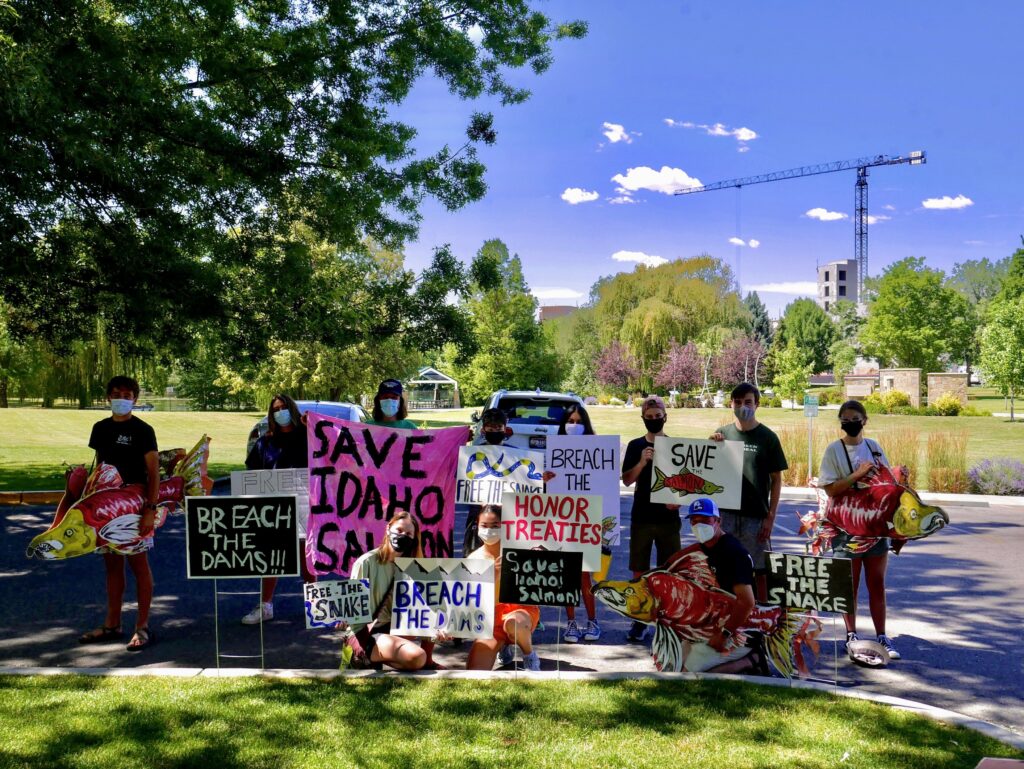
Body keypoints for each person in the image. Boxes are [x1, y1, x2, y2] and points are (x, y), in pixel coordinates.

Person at [72, 376, 160, 652]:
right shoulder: (100, 428)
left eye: (127, 393)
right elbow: (101, 464)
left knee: (138, 564)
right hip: (104, 505)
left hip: (134, 505)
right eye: (116, 393)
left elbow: (154, 472)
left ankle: (141, 627)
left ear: (134, 398)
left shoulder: (143, 430)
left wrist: (150, 509)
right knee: (111, 565)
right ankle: (112, 624)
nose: (121, 397)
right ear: (109, 397)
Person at [818, 400, 901, 660]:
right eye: (845, 418)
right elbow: (830, 489)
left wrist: (899, 477)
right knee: (849, 585)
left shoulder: (874, 447)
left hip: (874, 526)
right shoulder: (834, 450)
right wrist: (857, 475)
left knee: (877, 583)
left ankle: (881, 636)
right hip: (846, 526)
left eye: (855, 418)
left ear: (864, 420)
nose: (850, 422)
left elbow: (888, 483)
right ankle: (851, 634)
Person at [240, 393, 315, 625]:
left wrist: (311, 426)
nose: (280, 412)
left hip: (304, 504)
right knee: (272, 558)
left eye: (283, 407)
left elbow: (331, 450)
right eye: (275, 409)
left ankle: (315, 606)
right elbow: (252, 472)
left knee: (307, 558)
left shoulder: (309, 437)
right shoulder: (266, 441)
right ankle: (266, 606)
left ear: (292, 409)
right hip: (274, 507)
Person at [710, 382, 788, 602]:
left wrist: (770, 517)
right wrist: (711, 446)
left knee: (760, 570)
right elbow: (708, 471)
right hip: (726, 515)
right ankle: (728, 613)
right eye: (738, 402)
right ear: (731, 404)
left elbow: (776, 479)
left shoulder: (768, 438)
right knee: (724, 568)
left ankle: (761, 618)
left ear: (757, 405)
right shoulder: (722, 434)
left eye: (748, 402)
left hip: (756, 516)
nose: (742, 406)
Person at [621, 395, 682, 642]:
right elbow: (626, 480)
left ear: (665, 417)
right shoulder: (636, 445)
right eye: (650, 417)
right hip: (642, 517)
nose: (654, 420)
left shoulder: (676, 446)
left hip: (668, 518)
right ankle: (639, 620)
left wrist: (677, 501)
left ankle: (668, 621)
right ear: (643, 419)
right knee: (639, 571)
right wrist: (642, 462)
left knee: (670, 572)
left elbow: (687, 481)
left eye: (658, 416)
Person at [346, 512, 439, 670]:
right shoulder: (366, 562)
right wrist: (343, 617)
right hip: (366, 632)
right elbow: (353, 610)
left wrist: (439, 629)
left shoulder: (416, 568)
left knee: (434, 615)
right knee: (417, 657)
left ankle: (426, 661)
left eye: (409, 533)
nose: (403, 535)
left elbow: (427, 610)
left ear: (414, 539)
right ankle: (363, 656)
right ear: (388, 528)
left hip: (395, 628)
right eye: (400, 530)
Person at [677, 497, 758, 673]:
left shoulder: (732, 552)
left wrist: (724, 634)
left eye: (705, 520)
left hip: (737, 628)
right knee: (673, 665)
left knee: (688, 674)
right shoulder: (703, 548)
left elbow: (747, 602)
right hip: (712, 622)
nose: (699, 525)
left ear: (718, 521)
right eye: (694, 521)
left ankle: (752, 659)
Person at [466, 505, 542, 671]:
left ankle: (529, 655)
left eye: (495, 526)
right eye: (484, 526)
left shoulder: (519, 549)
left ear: (505, 526)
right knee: (474, 671)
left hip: (521, 611)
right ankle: (503, 646)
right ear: (476, 526)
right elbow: (473, 602)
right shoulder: (473, 559)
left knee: (514, 623)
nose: (489, 530)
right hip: (491, 618)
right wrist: (493, 576)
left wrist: (539, 557)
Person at [555, 404, 604, 644]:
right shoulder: (554, 451)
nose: (574, 425)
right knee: (568, 577)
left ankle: (593, 621)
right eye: (570, 421)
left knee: (585, 577)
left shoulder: (596, 449)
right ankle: (571, 622)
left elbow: (605, 482)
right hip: (563, 522)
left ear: (585, 423)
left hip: (587, 522)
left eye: (578, 420)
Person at [463, 408, 513, 557]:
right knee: (475, 558)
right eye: (490, 427)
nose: (495, 431)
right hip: (477, 516)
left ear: (505, 429)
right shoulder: (472, 454)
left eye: (498, 427)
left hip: (506, 517)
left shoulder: (515, 454)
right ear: (484, 430)